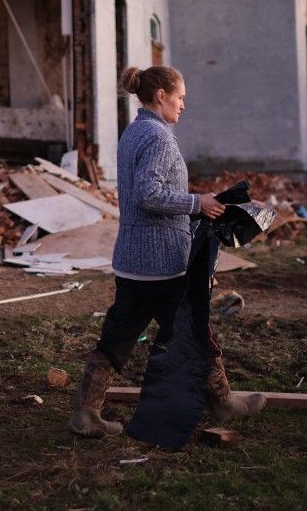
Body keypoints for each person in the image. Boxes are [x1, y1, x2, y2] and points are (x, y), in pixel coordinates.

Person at [68, 65, 266, 438]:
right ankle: (222, 403)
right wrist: (199, 203)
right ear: (161, 96)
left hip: (132, 262)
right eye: (180, 97)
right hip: (162, 266)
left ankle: (85, 412)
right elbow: (148, 195)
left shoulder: (132, 133)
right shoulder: (159, 138)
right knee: (197, 331)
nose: (183, 105)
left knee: (117, 337)